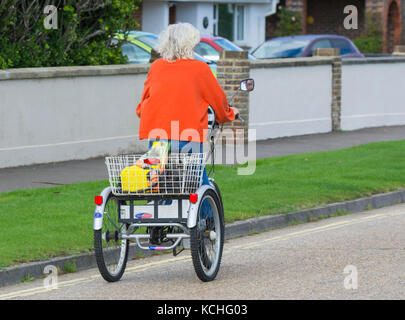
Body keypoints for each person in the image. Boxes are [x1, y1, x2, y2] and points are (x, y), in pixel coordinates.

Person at [136, 23, 239, 186]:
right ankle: (207, 212)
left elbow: (144, 102)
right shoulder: (200, 69)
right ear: (189, 44)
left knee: (161, 182)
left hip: (158, 134)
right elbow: (219, 101)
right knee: (197, 182)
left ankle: (164, 209)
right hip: (187, 134)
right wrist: (230, 114)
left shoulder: (156, 67)